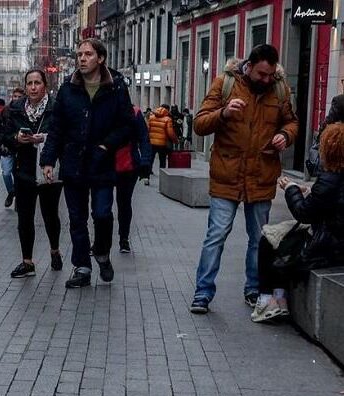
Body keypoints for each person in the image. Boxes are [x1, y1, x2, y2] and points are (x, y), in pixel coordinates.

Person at [189, 44, 298, 314]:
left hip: (261, 176)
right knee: (216, 235)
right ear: (249, 67)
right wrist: (224, 112)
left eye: (270, 75)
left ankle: (253, 290)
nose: (266, 79)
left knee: (259, 239)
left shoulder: (280, 89)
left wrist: (285, 135)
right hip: (227, 175)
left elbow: (292, 122)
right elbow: (199, 124)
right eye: (261, 74)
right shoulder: (225, 83)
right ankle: (202, 293)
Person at [40, 38, 134, 288]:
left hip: (102, 163)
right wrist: (48, 160)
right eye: (79, 54)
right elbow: (56, 127)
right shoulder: (68, 89)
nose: (82, 58)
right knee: (77, 218)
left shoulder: (116, 87)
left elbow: (127, 125)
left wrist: (106, 146)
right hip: (73, 162)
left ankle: (101, 252)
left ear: (100, 58)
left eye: (88, 54)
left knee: (102, 213)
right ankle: (82, 266)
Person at [252, 123, 344, 322]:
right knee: (282, 236)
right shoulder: (334, 178)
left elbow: (303, 213)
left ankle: (267, 300)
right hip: (334, 238)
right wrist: (308, 191)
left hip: (328, 246)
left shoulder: (329, 178)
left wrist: (291, 189)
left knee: (270, 239)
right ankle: (279, 299)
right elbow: (329, 202)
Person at [0, 69, 63, 277]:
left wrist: (44, 138)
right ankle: (27, 261)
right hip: (24, 169)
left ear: (45, 85)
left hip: (48, 169)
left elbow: (62, 135)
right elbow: (5, 136)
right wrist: (17, 138)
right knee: (24, 217)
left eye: (37, 83)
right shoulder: (16, 108)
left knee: (50, 214)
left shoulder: (55, 107)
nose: (33, 87)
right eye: (30, 83)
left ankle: (54, 250)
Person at [115, 105, 153, 254]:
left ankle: (124, 238)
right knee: (101, 207)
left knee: (124, 203)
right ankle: (100, 240)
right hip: (105, 166)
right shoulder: (102, 109)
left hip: (128, 166)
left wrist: (145, 161)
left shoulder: (134, 112)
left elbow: (144, 138)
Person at [0, 87, 26, 208]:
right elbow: (1, 128)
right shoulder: (6, 110)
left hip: (21, 147)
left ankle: (18, 198)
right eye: (15, 96)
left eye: (19, 97)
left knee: (19, 175)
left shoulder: (26, 110)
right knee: (6, 173)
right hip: (8, 147)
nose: (17, 99)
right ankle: (11, 192)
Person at [147, 104, 177, 177]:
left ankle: (148, 171)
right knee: (162, 159)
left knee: (151, 158)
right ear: (167, 110)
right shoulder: (168, 119)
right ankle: (162, 173)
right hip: (162, 143)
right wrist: (175, 140)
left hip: (152, 142)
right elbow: (170, 132)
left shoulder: (151, 117)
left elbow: (148, 129)